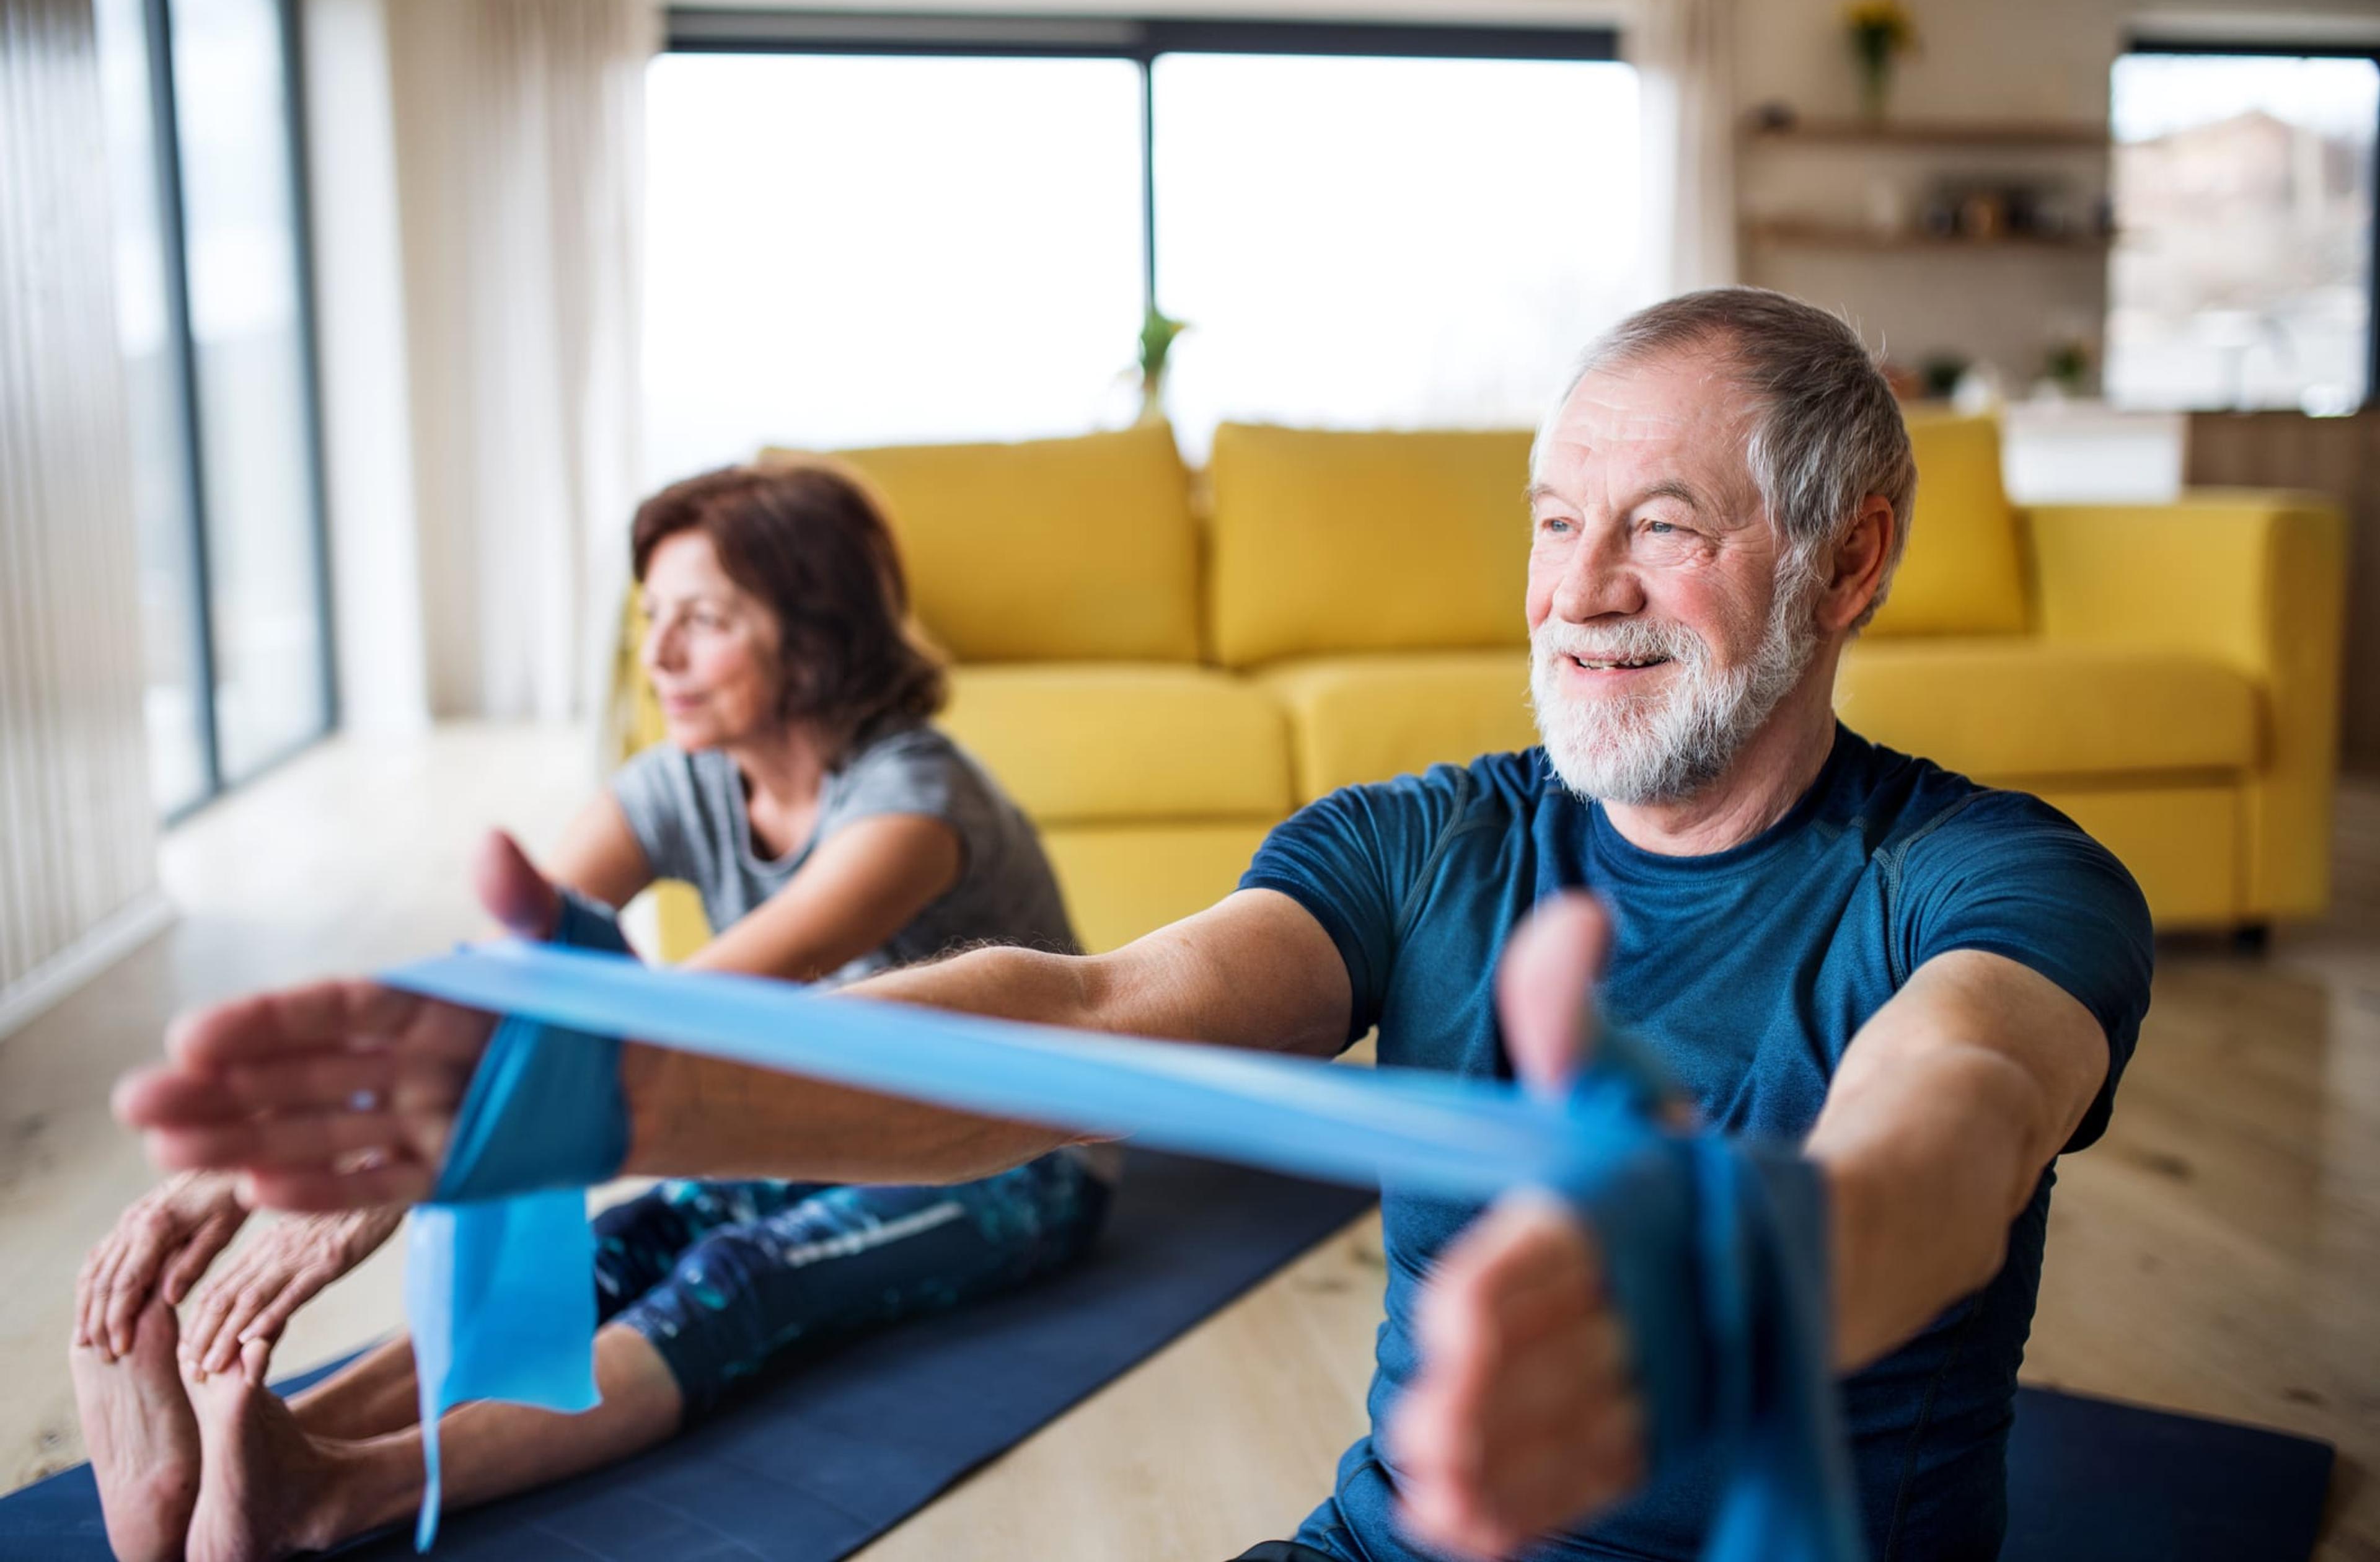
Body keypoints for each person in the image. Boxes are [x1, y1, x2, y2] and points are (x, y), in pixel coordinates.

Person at [118, 288, 2153, 1562]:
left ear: (1849, 558)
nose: (1582, 589)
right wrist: (618, 1094)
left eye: (1663, 524)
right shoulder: (1431, 844)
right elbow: (1094, 1010)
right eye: (1552, 520)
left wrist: (1752, 1270)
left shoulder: (1992, 885)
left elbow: (1943, 1137)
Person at [73, 462, 1109, 1562]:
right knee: (620, 1246)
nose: (657, 656)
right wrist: (242, 1163)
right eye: (652, 616)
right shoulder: (682, 780)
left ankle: (333, 1493)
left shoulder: (913, 806)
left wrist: (413, 1157)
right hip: (830, 1123)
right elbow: (494, 980)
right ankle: (246, 1457)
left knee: (738, 1281)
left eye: (702, 621)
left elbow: (678, 1028)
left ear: (819, 632)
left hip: (1013, 1155)